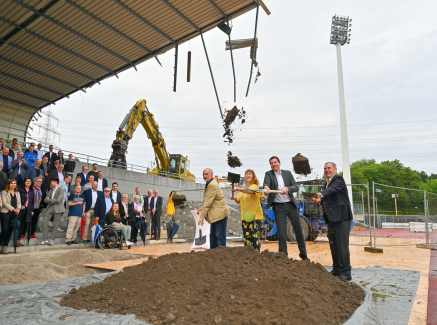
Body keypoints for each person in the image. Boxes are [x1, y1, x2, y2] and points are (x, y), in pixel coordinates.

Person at [312, 162, 353, 281]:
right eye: (325, 168)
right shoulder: (326, 183)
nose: (326, 170)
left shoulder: (338, 180)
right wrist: (318, 201)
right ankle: (337, 268)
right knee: (333, 244)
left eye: (329, 168)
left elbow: (332, 190)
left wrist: (319, 194)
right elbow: (328, 198)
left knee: (342, 245)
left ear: (335, 169)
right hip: (331, 218)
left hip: (342, 217)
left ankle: (346, 272)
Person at [263, 156, 308, 259]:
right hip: (278, 207)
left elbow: (295, 187)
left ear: (279, 163)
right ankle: (283, 256)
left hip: (290, 205)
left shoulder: (287, 173)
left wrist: (287, 188)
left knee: (298, 230)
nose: (273, 164)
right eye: (271, 163)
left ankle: (304, 255)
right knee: (282, 234)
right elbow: (266, 183)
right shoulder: (268, 174)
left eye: (275, 162)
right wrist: (266, 188)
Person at [229, 169, 263, 251]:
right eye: (247, 174)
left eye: (250, 174)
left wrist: (238, 189)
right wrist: (234, 198)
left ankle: (256, 255)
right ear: (245, 176)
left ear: (253, 176)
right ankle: (248, 256)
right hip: (245, 217)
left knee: (254, 238)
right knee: (246, 239)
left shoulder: (254, 186)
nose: (248, 175)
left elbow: (250, 191)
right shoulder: (242, 187)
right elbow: (238, 201)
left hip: (254, 217)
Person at [197, 168, 229, 249]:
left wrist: (201, 218)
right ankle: (213, 256)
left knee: (219, 236)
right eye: (203, 174)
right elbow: (208, 200)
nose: (204, 176)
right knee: (213, 237)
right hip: (215, 215)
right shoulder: (209, 183)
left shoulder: (212, 185)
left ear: (211, 174)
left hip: (220, 215)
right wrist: (201, 208)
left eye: (206, 174)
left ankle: (221, 257)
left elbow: (207, 202)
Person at [40, 178, 65, 245]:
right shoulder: (51, 190)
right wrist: (51, 200)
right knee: (44, 223)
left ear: (56, 182)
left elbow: (58, 200)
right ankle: (45, 239)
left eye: (52, 182)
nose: (50, 183)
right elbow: (45, 200)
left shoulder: (61, 190)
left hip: (58, 208)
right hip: (50, 207)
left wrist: (49, 200)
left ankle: (52, 240)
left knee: (55, 225)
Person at [0, 179, 21, 254]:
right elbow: (5, 203)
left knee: (10, 231)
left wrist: (18, 208)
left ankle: (5, 247)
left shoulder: (17, 193)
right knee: (5, 229)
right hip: (5, 212)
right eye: (11, 183)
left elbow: (19, 203)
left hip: (14, 214)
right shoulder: (4, 192)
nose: (13, 184)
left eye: (14, 183)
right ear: (8, 184)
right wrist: (13, 209)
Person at [18, 178, 34, 244]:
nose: (28, 182)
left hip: (28, 209)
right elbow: (17, 199)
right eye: (27, 181)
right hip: (21, 209)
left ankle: (20, 237)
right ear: (24, 182)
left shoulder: (32, 190)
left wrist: (32, 210)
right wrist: (20, 205)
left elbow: (32, 201)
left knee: (25, 223)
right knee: (19, 223)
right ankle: (17, 239)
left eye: (30, 181)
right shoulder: (20, 189)